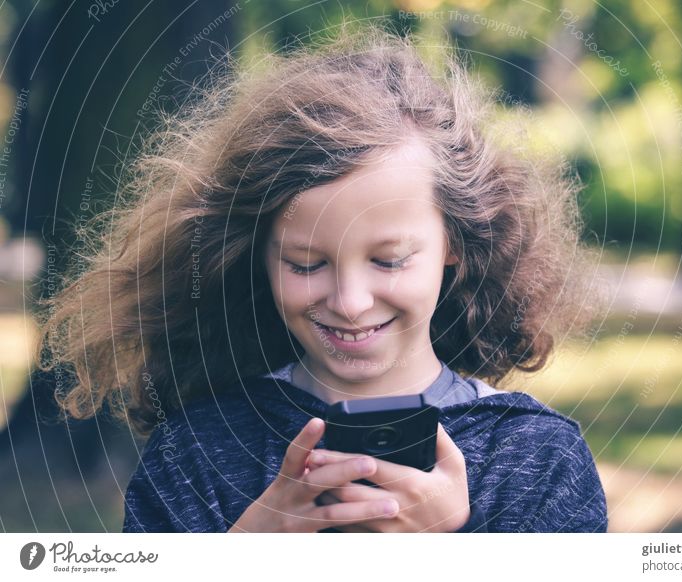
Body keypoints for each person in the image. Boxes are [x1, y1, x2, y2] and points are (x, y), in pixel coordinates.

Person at [34, 20, 607, 533]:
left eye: (388, 259)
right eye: (305, 264)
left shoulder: (538, 460)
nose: (351, 302)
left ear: (455, 243)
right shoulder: (196, 455)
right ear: (255, 256)